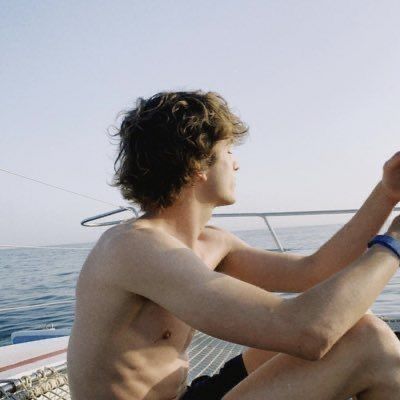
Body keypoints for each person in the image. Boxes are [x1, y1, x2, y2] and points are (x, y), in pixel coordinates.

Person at [67, 90, 400, 400]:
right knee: (368, 340)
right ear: (197, 165)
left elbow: (313, 273)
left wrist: (386, 193)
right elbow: (308, 333)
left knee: (354, 320)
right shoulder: (134, 248)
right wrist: (395, 241)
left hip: (187, 395)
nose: (236, 163)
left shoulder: (211, 241)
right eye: (228, 151)